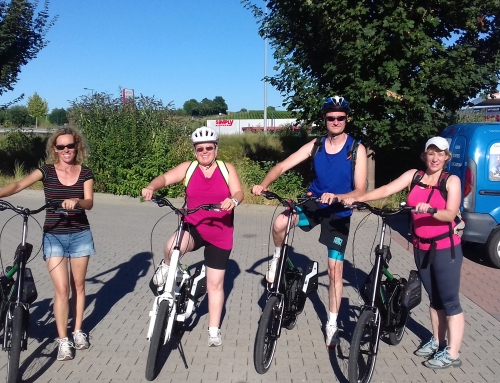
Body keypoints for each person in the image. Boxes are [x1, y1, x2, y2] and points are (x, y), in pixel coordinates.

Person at [252, 96, 368, 348]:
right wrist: (264, 184)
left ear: (346, 119)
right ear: (325, 120)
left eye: (340, 117)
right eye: (330, 117)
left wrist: (339, 196)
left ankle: (332, 323)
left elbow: (360, 190)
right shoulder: (316, 145)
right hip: (315, 202)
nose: (335, 121)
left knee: (335, 270)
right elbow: (283, 165)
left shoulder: (355, 148)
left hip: (339, 211)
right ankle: (277, 259)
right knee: (281, 223)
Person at [344, 136, 465, 369]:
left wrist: (430, 209)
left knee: (450, 302)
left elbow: (450, 214)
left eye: (440, 154)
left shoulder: (452, 181)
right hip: (421, 246)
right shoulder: (414, 176)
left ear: (446, 157)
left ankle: (452, 353)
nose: (435, 158)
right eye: (431, 153)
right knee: (434, 300)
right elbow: (387, 189)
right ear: (424, 155)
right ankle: (438, 341)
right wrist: (359, 198)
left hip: (445, 248)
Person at [141, 126, 244, 347]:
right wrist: (151, 186)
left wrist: (233, 201)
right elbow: (165, 178)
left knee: (214, 284)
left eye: (209, 148)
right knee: (171, 247)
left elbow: (238, 192)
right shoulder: (189, 168)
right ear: (194, 151)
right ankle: (168, 268)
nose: (204, 151)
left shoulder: (227, 169)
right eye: (200, 149)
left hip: (220, 233)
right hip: (194, 227)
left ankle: (214, 330)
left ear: (216, 149)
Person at [0, 127, 95, 361]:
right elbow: (19, 185)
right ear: (54, 149)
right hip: (53, 235)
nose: (66, 150)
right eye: (61, 146)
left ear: (77, 146)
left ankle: (78, 331)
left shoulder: (85, 172)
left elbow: (90, 202)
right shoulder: (46, 171)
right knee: (62, 289)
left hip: (80, 234)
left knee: (79, 286)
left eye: (70, 146)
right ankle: (63, 340)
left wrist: (77, 201)